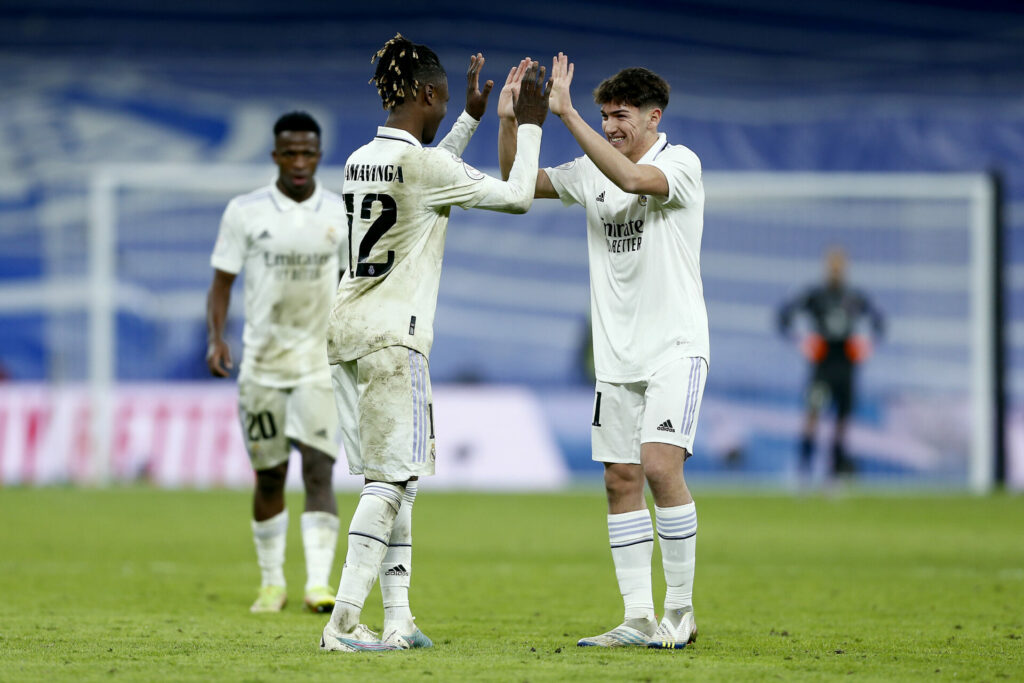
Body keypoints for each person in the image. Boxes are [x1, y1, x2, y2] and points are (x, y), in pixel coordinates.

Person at [318, 35, 549, 653]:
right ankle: (342, 625)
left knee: (393, 480)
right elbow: (517, 196)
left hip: (346, 331)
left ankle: (397, 620)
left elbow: (423, 183)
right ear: (425, 93)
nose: (447, 106)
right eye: (445, 99)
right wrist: (527, 125)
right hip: (395, 338)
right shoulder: (424, 166)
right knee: (390, 485)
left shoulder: (359, 159)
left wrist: (472, 119)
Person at [499, 54, 707, 650]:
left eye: (620, 116)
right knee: (621, 479)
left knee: (661, 466)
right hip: (616, 357)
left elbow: (635, 181)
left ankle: (681, 612)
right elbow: (518, 185)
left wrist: (565, 116)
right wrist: (512, 121)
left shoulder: (680, 163)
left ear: (652, 117)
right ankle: (638, 618)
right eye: (605, 116)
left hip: (675, 346)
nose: (611, 125)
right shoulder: (592, 169)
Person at [206, 111, 347, 614]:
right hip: (262, 366)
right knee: (269, 474)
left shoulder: (340, 211)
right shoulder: (245, 212)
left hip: (318, 365)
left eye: (308, 152)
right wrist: (216, 337)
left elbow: (354, 283)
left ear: (319, 154)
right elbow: (222, 281)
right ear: (275, 156)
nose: (300, 161)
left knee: (318, 470)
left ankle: (317, 584)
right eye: (290, 152)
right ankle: (271, 583)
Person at [777, 247, 884, 483]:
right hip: (822, 364)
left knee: (842, 422)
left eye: (840, 265)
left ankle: (834, 477)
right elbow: (783, 316)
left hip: (845, 363)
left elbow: (879, 323)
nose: (836, 270)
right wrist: (802, 342)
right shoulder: (815, 295)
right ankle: (803, 474)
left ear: (845, 267)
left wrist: (866, 346)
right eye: (832, 265)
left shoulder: (855, 297)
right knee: (812, 417)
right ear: (826, 267)